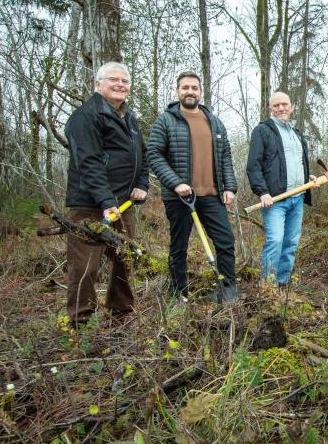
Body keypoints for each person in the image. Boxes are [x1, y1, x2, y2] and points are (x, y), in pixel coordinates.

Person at [64, 61, 148, 325]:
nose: (120, 85)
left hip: (123, 205)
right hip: (90, 206)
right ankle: (80, 322)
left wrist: (142, 184)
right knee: (85, 266)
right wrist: (105, 200)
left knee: (125, 259)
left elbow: (142, 156)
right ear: (97, 84)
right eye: (113, 79)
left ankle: (121, 313)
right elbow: (88, 162)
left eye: (125, 81)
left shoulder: (129, 117)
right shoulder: (85, 117)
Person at [147, 71, 238, 301]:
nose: (190, 91)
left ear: (200, 91)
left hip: (212, 195)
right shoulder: (166, 120)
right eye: (185, 87)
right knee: (179, 246)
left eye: (194, 88)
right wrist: (176, 183)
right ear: (177, 91)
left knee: (226, 241)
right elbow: (154, 154)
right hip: (179, 197)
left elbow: (225, 156)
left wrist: (229, 187)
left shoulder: (214, 122)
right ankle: (179, 295)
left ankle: (227, 291)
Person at [246, 92, 314, 287]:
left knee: (291, 242)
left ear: (292, 107)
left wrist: (307, 177)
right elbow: (253, 166)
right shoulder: (262, 131)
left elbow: (296, 163)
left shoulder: (297, 134)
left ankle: (283, 284)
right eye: (276, 105)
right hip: (274, 200)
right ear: (270, 109)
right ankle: (268, 286)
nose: (281, 108)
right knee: (275, 241)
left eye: (284, 104)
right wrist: (262, 192)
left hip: (297, 197)